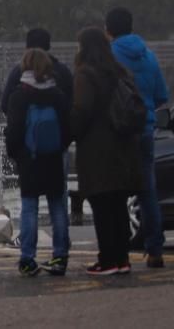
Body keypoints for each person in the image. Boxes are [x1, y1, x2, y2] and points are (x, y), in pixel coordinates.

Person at [71, 26, 141, 275]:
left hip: (96, 151)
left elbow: (81, 111)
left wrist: (68, 133)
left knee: (101, 205)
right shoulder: (119, 72)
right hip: (122, 149)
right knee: (118, 205)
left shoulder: (85, 74)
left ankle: (108, 260)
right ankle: (122, 259)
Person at [106, 7, 169, 268]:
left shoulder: (109, 56)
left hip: (119, 132)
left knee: (117, 192)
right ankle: (155, 250)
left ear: (109, 30)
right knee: (148, 192)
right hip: (146, 130)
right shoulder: (149, 57)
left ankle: (119, 252)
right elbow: (161, 97)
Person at [5, 49, 71, 276]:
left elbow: (13, 132)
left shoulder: (19, 96)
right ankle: (60, 256)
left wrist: (17, 154)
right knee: (57, 207)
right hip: (53, 158)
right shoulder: (58, 95)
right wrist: (58, 148)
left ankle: (27, 259)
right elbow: (68, 129)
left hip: (29, 160)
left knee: (29, 208)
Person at [0, 28, 74, 114]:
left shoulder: (18, 72)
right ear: (48, 46)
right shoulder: (63, 71)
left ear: (27, 48)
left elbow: (5, 105)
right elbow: (71, 102)